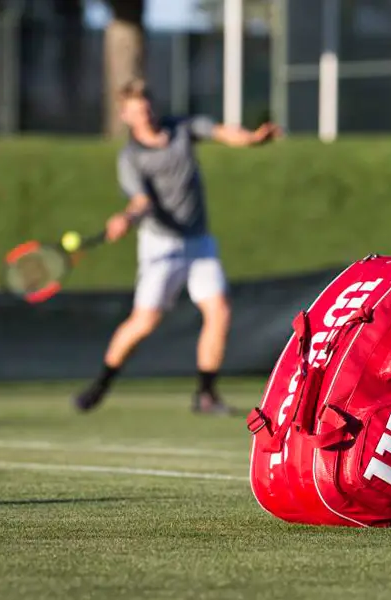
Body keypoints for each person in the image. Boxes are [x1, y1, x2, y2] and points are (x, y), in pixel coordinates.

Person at [73, 78, 281, 414]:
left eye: (147, 106)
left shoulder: (181, 128)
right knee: (144, 323)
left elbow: (222, 132)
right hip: (160, 245)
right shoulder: (131, 158)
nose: (145, 115)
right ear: (125, 116)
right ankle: (100, 385)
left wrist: (253, 139)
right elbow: (141, 200)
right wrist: (126, 218)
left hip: (198, 241)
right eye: (136, 111)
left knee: (219, 311)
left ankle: (206, 394)